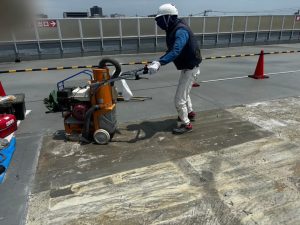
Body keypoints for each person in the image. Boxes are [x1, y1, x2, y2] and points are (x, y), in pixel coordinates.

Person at [147, 3, 202, 135]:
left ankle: (186, 124)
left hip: (190, 69)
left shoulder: (180, 30)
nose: (159, 23)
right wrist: (158, 61)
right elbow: (171, 50)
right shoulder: (174, 27)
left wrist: (160, 63)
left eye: (160, 19)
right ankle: (190, 113)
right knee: (185, 94)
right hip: (189, 68)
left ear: (168, 17)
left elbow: (176, 50)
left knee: (179, 100)